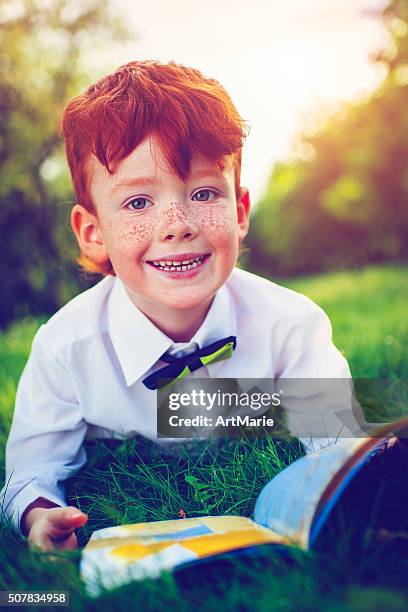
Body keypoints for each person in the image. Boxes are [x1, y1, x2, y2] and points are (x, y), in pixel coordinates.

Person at [0, 60, 354, 552]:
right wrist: (40, 515)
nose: (177, 224)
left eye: (204, 192)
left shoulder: (291, 326)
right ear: (93, 231)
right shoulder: (66, 349)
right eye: (138, 203)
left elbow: (339, 440)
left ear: (239, 211)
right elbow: (29, 472)